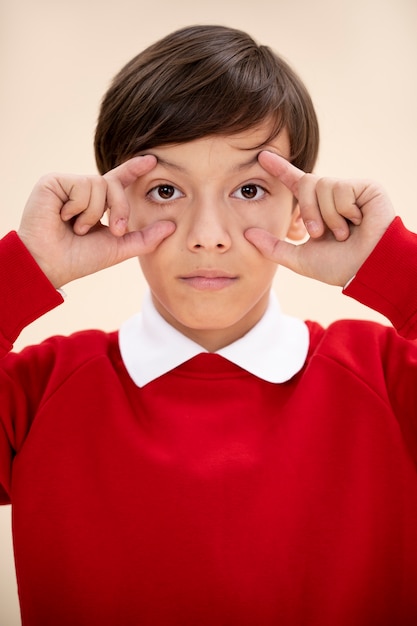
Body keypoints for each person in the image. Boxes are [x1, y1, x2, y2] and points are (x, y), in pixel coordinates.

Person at [1, 23, 417, 626]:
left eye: (249, 188)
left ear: (299, 210)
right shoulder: (35, 396)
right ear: (115, 208)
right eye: (166, 189)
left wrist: (397, 268)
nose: (208, 235)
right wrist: (23, 268)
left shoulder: (388, 383)